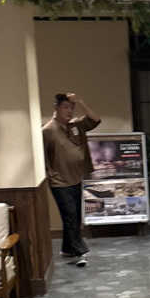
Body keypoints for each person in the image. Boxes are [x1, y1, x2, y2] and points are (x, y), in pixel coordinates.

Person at [42, 93, 101, 267]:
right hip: (59, 181)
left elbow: (96, 120)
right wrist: (50, 175)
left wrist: (80, 101)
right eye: (65, 107)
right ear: (56, 108)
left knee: (74, 216)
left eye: (71, 108)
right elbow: (42, 156)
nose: (69, 111)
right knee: (70, 215)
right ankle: (79, 252)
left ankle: (67, 248)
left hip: (75, 177)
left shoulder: (76, 125)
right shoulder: (48, 130)